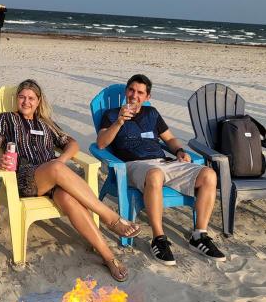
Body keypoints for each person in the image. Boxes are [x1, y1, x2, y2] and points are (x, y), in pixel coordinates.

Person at [0, 79, 139, 282]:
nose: (26, 102)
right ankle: (111, 218)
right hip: (25, 178)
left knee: (68, 199)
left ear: (38, 101)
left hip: (54, 178)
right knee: (56, 168)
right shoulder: (7, 119)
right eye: (22, 97)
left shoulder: (46, 123)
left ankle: (109, 257)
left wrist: (62, 159)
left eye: (31, 98)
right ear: (16, 99)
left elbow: (71, 143)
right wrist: (0, 159)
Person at [96, 74, 225, 266]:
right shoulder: (112, 115)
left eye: (140, 93)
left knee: (209, 174)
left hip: (164, 162)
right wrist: (119, 122)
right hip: (133, 165)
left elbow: (170, 139)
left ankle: (199, 235)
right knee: (155, 174)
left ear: (147, 97)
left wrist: (179, 151)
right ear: (126, 91)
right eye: (131, 90)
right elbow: (101, 143)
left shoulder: (152, 114)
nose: (134, 95)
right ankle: (159, 238)